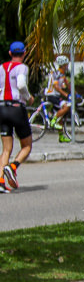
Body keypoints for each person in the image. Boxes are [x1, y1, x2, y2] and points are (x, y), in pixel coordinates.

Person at [0, 41, 33, 193]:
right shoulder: (22, 68)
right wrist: (28, 97)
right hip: (16, 107)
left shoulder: (1, 67)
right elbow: (20, 85)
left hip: (2, 107)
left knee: (6, 149)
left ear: (10, 53)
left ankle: (0, 181)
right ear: (24, 53)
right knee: (26, 145)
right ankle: (12, 167)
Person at [46, 56, 73, 142]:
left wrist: (76, 94)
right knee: (66, 106)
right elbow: (56, 87)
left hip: (56, 95)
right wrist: (65, 94)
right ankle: (53, 121)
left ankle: (61, 136)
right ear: (62, 65)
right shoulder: (56, 73)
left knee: (60, 116)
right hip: (51, 95)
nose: (67, 66)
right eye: (66, 65)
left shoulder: (62, 74)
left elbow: (68, 85)